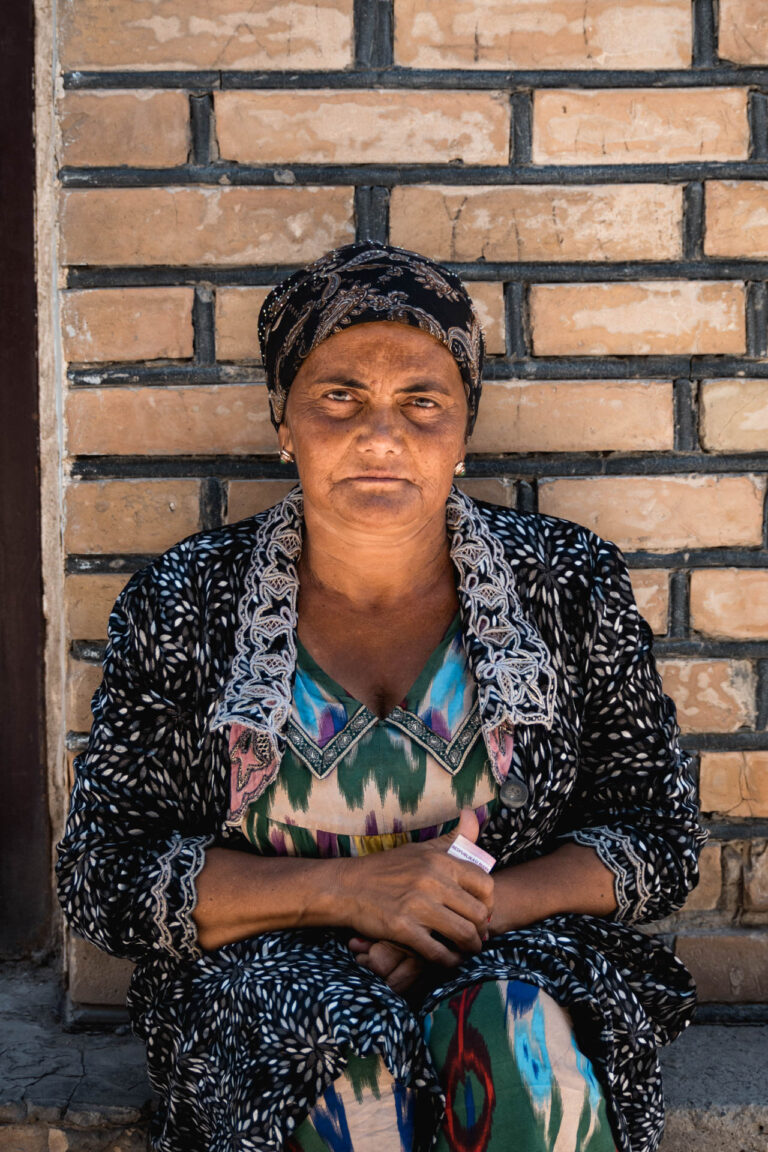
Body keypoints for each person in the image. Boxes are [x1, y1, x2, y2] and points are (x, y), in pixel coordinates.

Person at [57, 241, 706, 1152]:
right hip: (268, 969)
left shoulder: (567, 583)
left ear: (463, 426)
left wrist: (469, 906)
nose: (381, 436)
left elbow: (660, 838)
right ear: (283, 418)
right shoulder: (185, 601)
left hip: (510, 952)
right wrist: (352, 891)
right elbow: (103, 874)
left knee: (519, 1051)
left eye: (422, 402)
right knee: (346, 1074)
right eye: (339, 396)